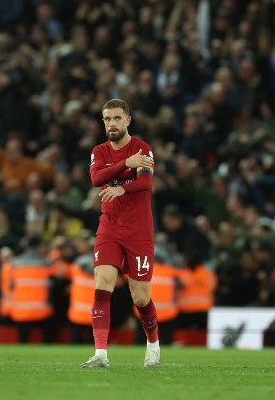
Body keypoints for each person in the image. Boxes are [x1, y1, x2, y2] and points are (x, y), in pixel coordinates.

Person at [82, 98, 159, 368]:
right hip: (110, 228)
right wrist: (127, 162)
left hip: (138, 231)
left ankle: (152, 342)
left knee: (140, 297)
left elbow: (146, 183)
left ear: (128, 120)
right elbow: (96, 179)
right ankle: (101, 354)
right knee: (102, 284)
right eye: (106, 119)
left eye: (116, 118)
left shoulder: (143, 148)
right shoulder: (100, 151)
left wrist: (122, 187)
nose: (111, 124)